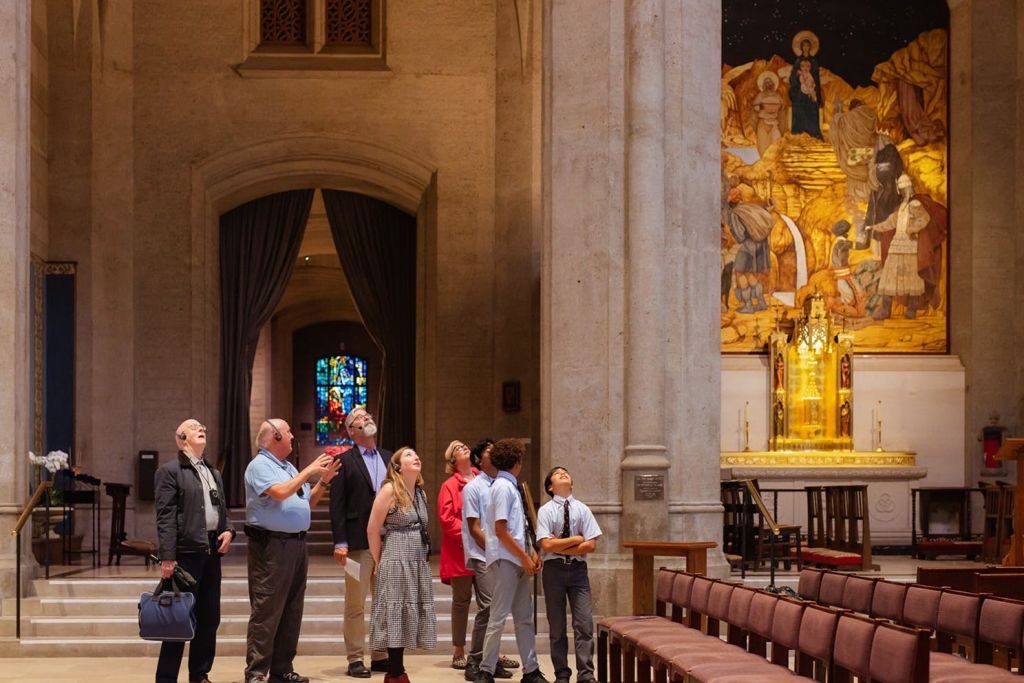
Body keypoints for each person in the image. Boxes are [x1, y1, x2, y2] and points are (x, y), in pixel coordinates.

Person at [244, 419, 340, 683]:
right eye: (287, 432)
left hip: (296, 545)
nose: (292, 435)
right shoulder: (260, 465)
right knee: (267, 609)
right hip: (272, 546)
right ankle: (257, 672)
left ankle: (282, 668)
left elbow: (305, 502)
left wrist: (323, 482)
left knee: (291, 609)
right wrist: (309, 470)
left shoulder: (287, 467)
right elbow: (280, 493)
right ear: (274, 436)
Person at [154, 419, 235, 683]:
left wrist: (229, 530)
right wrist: (167, 556)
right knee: (178, 620)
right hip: (185, 554)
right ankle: (166, 678)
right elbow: (165, 516)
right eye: (193, 427)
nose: (201, 429)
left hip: (211, 551)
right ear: (181, 438)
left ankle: (200, 674)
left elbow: (222, 510)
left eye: (203, 427)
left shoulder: (214, 472)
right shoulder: (170, 471)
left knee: (209, 618)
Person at [475, 439, 547, 683]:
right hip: (507, 559)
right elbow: (501, 530)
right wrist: (524, 556)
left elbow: (519, 527)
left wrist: (531, 552)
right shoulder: (504, 487)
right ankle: (485, 670)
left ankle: (531, 669)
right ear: (517, 462)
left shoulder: (509, 486)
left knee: (524, 617)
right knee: (498, 617)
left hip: (516, 558)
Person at [329, 407, 392, 677]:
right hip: (356, 543)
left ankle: (381, 655)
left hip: (388, 542)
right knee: (355, 603)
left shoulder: (390, 458)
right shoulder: (344, 461)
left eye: (368, 416)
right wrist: (340, 541)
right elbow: (337, 505)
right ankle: (355, 658)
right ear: (351, 431)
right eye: (359, 419)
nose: (367, 420)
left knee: (384, 601)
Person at [367, 447, 438, 683]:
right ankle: (396, 672)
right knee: (395, 610)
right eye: (408, 455)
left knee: (409, 611)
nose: (416, 457)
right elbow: (372, 529)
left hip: (416, 557)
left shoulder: (420, 493)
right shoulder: (389, 490)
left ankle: (397, 670)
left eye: (417, 454)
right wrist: (379, 561)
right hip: (396, 555)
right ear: (397, 466)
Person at [536, 467, 603, 683]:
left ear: (572, 483)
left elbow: (591, 545)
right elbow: (545, 543)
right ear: (550, 486)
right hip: (553, 572)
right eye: (557, 473)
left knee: (583, 624)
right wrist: (576, 539)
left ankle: (586, 674)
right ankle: (562, 674)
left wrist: (559, 545)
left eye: (566, 472)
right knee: (557, 626)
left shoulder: (582, 509)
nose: (563, 474)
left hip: (577, 572)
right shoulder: (545, 511)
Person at [461, 439, 516, 682]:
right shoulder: (473, 488)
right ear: (478, 460)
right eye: (488, 452)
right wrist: (495, 549)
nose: (493, 455)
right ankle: (475, 660)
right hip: (483, 553)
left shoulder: (503, 485)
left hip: (501, 553)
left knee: (498, 609)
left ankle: (490, 660)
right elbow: (474, 527)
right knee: (487, 607)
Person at [437, 441, 478, 670]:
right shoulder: (449, 485)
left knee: (490, 601)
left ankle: (489, 649)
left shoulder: (483, 478)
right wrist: (472, 534)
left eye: (464, 445)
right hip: (460, 550)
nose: (464, 447)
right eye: (457, 448)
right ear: (452, 460)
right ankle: (459, 650)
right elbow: (446, 519)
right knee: (461, 601)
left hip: (486, 549)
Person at [789, 32, 822, 139]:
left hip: (811, 89)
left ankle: (813, 133)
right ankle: (799, 132)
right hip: (800, 91)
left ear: (810, 47)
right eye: (804, 45)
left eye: (808, 46)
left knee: (812, 109)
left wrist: (815, 90)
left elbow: (816, 78)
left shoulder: (814, 61)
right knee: (799, 107)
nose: (806, 47)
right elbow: (792, 77)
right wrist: (798, 78)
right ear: (801, 47)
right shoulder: (798, 61)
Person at [752, 71, 785, 156]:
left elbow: (782, 106)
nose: (768, 84)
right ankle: (764, 163)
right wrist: (763, 107)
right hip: (763, 123)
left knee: (776, 144)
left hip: (774, 123)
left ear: (773, 84)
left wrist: (776, 107)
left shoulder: (777, 95)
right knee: (763, 146)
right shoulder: (760, 95)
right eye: (766, 83)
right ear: (763, 85)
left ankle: (775, 164)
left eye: (770, 82)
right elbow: (755, 107)